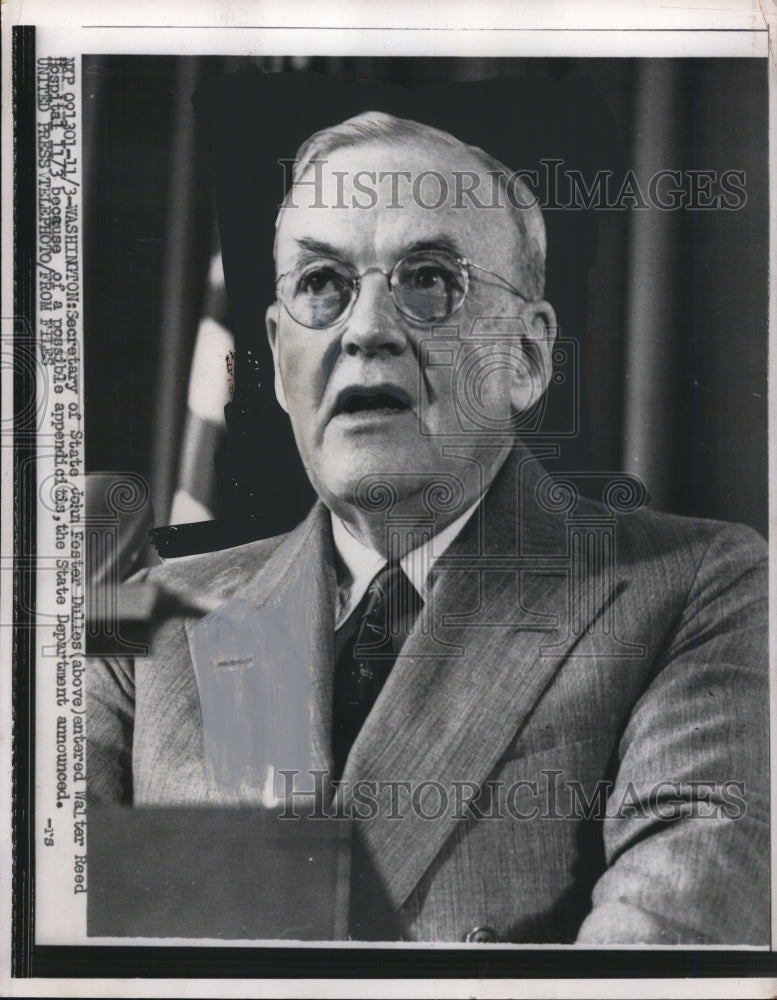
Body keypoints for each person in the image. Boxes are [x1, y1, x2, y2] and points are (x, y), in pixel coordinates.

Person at [87, 111, 768, 945]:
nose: (366, 330)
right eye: (322, 286)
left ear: (525, 356)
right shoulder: (145, 623)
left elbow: (660, 955)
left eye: (428, 280)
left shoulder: (697, 589)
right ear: (276, 351)